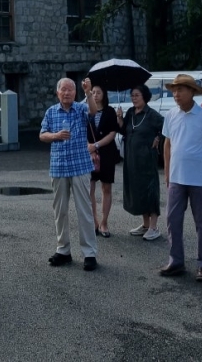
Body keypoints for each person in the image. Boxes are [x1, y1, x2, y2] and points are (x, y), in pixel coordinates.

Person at [39, 76, 99, 271]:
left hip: (80, 165)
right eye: (63, 90)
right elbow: (42, 134)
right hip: (58, 167)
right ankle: (63, 250)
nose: (66, 93)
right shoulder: (51, 112)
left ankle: (89, 253)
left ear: (75, 93)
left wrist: (88, 92)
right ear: (57, 92)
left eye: (70, 90)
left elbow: (93, 111)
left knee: (84, 210)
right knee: (60, 211)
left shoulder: (81, 109)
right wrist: (55, 136)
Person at [160, 74, 202, 280]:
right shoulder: (171, 115)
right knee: (173, 220)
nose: (176, 94)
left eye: (180, 89)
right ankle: (176, 261)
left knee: (201, 222)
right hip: (176, 177)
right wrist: (167, 172)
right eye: (174, 90)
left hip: (200, 179)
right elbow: (167, 144)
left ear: (192, 92)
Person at [116, 85, 163, 240]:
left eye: (136, 95)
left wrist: (158, 138)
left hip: (147, 159)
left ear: (145, 96)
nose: (133, 98)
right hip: (132, 159)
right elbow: (124, 131)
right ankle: (145, 225)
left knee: (150, 191)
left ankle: (154, 227)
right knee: (139, 190)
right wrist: (120, 119)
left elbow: (165, 128)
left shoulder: (151, 115)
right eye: (132, 95)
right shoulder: (130, 113)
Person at [86, 84, 119, 237]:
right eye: (93, 92)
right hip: (89, 154)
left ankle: (104, 222)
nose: (95, 95)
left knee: (106, 188)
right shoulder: (86, 111)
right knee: (90, 189)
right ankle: (94, 221)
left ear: (104, 95)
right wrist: (90, 147)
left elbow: (113, 133)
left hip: (106, 152)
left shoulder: (110, 111)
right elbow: (81, 133)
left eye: (99, 92)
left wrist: (96, 145)